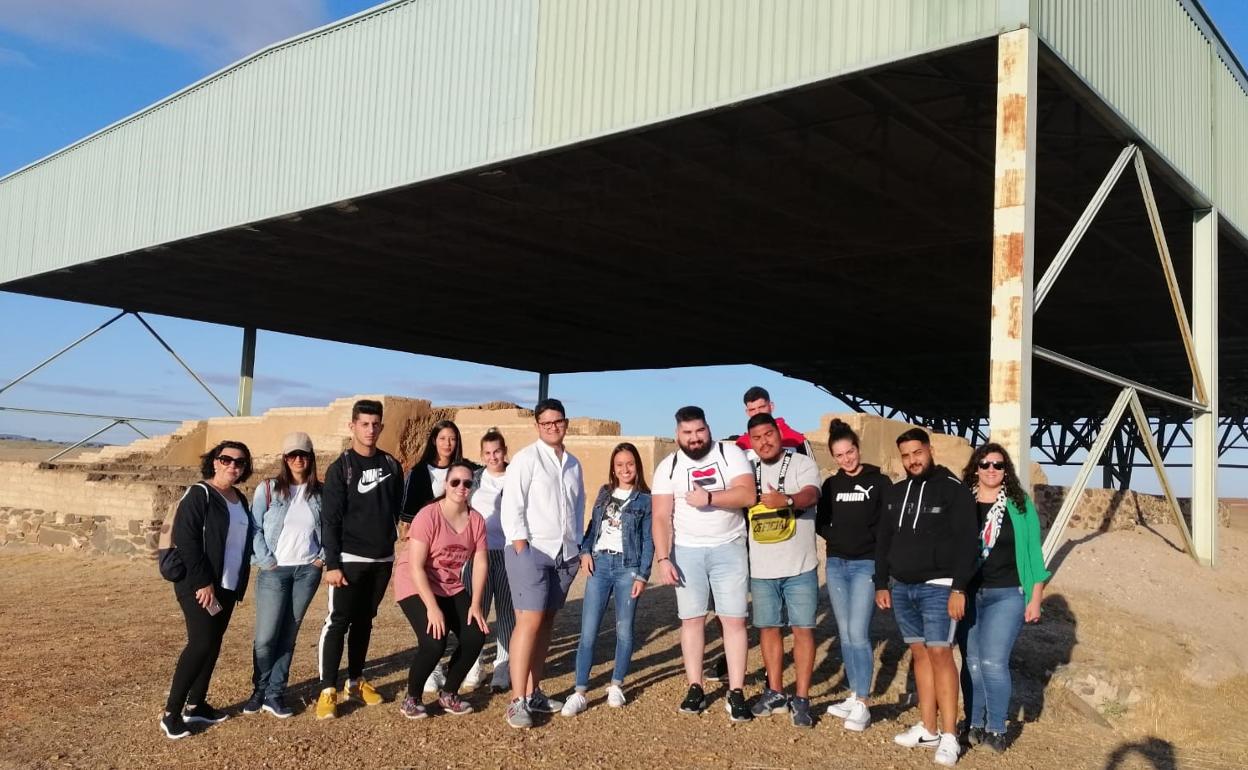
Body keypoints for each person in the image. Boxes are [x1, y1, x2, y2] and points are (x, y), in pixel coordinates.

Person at [876, 428, 978, 766]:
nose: (912, 460)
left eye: (917, 453)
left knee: (940, 654)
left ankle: (950, 736)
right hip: (903, 587)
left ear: (930, 450)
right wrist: (881, 583)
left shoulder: (953, 491)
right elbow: (884, 540)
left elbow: (967, 544)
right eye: (905, 455)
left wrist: (959, 588)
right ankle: (929, 727)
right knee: (919, 654)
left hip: (940, 586)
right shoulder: (896, 492)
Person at [652, 405, 757, 723]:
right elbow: (660, 516)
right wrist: (663, 556)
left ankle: (736, 691)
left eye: (700, 431)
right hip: (687, 552)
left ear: (708, 428)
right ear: (677, 434)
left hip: (729, 547)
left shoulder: (730, 453)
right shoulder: (668, 466)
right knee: (692, 621)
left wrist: (709, 498)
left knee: (734, 621)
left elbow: (748, 495)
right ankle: (695, 686)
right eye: (687, 433)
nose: (695, 438)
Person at [956, 443, 1050, 753]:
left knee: (992, 662)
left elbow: (1035, 555)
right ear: (976, 468)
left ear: (1005, 469)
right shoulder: (962, 502)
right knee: (971, 662)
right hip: (969, 594)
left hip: (1007, 594)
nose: (991, 469)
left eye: (998, 464)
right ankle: (974, 722)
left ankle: (996, 727)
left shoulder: (1019, 504)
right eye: (985, 464)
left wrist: (1035, 598)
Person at [159, 441, 255, 739]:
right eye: (226, 459)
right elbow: (186, 540)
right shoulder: (199, 493)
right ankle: (171, 713)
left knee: (212, 643)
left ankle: (196, 705)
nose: (232, 466)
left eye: (239, 462)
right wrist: (203, 583)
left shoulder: (239, 498)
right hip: (198, 584)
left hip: (226, 584)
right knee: (200, 643)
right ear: (214, 461)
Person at [316, 399, 405, 720]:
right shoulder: (341, 468)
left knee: (365, 621)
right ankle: (328, 689)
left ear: (381, 427)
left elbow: (395, 509)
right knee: (338, 621)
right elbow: (330, 520)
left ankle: (355, 680)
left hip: (381, 560)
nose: (370, 430)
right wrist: (333, 563)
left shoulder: (392, 465)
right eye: (364, 424)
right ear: (352, 426)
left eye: (375, 424)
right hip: (349, 559)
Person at [500, 398, 586, 728]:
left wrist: (576, 543)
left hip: (564, 554)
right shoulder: (526, 459)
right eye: (545, 423)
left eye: (557, 422)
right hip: (532, 550)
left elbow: (578, 506)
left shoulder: (574, 464)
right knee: (529, 622)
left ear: (565, 422)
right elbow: (513, 505)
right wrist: (521, 543)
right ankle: (516, 699)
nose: (552, 427)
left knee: (547, 622)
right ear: (537, 426)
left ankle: (533, 691)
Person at [562, 442, 654, 716]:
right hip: (600, 564)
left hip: (628, 567)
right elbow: (593, 528)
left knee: (624, 630)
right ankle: (579, 691)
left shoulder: (645, 500)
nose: (625, 469)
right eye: (619, 465)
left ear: (637, 466)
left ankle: (616, 684)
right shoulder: (605, 493)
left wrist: (643, 574)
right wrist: (585, 551)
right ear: (613, 468)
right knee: (588, 631)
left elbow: (648, 540)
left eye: (629, 464)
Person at [394, 460, 490, 718]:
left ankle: (449, 693)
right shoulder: (429, 515)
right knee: (434, 640)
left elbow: (480, 562)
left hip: (449, 584)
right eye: (455, 482)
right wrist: (433, 608)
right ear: (446, 485)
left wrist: (475, 604)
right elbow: (415, 566)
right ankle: (411, 699)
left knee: (475, 635)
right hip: (415, 581)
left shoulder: (476, 520)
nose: (461, 487)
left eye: (467, 483)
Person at [743, 414, 822, 728]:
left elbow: (812, 494)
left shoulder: (801, 463)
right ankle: (775, 691)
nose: (764, 441)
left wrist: (785, 499)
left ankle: (801, 698)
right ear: (751, 442)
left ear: (778, 434)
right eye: (757, 437)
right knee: (768, 629)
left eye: (768, 434)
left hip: (799, 566)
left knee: (803, 630)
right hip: (763, 568)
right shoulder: (749, 472)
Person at [243, 432, 324, 719]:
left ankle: (275, 694)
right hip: (274, 572)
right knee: (266, 637)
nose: (298, 460)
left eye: (303, 455)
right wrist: (267, 561)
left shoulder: (320, 493)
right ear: (284, 459)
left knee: (288, 636)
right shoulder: (268, 489)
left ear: (310, 458)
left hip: (306, 572)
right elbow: (254, 528)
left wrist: (320, 560)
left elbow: (332, 529)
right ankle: (259, 690)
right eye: (292, 455)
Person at [818, 418, 890, 731]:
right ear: (834, 457)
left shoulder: (879, 482)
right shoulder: (831, 485)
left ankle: (863, 702)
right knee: (845, 633)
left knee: (859, 634)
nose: (847, 459)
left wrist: (870, 546)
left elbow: (887, 528)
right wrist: (835, 537)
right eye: (840, 455)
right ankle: (853, 692)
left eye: (850, 452)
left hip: (865, 565)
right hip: (836, 564)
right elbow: (821, 521)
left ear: (858, 449)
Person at [401, 419, 481, 693]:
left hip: (448, 570)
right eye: (443, 438)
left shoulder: (468, 474)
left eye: (453, 438)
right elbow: (408, 515)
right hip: (422, 554)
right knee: (433, 634)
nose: (448, 443)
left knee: (472, 634)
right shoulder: (421, 473)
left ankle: (451, 687)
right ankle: (425, 678)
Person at [469, 428, 515, 693]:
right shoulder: (475, 478)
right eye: (487, 453)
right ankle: (475, 663)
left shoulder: (516, 477)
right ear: (482, 455)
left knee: (507, 612)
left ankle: (502, 665)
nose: (493, 457)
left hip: (508, 552)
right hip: (479, 553)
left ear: (504, 450)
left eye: (497, 451)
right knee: (478, 610)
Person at [733, 386, 813, 456]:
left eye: (761, 407)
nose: (757, 412)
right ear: (747, 412)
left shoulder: (797, 439)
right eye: (752, 409)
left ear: (771, 406)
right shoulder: (741, 444)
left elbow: (811, 471)